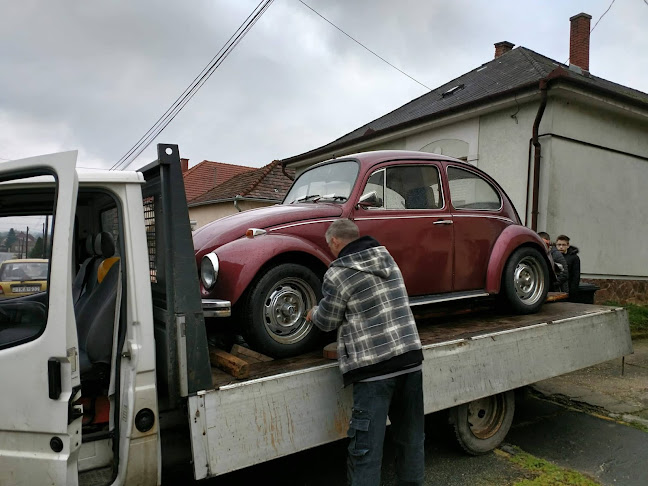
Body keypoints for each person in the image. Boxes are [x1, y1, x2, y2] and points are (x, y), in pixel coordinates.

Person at [306, 219, 424, 486]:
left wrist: (313, 313)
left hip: (374, 371)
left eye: (329, 246)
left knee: (366, 451)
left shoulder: (339, 273)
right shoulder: (386, 257)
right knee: (411, 441)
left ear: (335, 242)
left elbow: (328, 320)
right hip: (410, 360)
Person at [556, 234, 581, 299]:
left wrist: (573, 291)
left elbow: (576, 275)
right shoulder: (553, 256)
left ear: (568, 246)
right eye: (559, 245)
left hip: (568, 286)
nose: (561, 247)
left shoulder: (574, 258)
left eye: (563, 245)